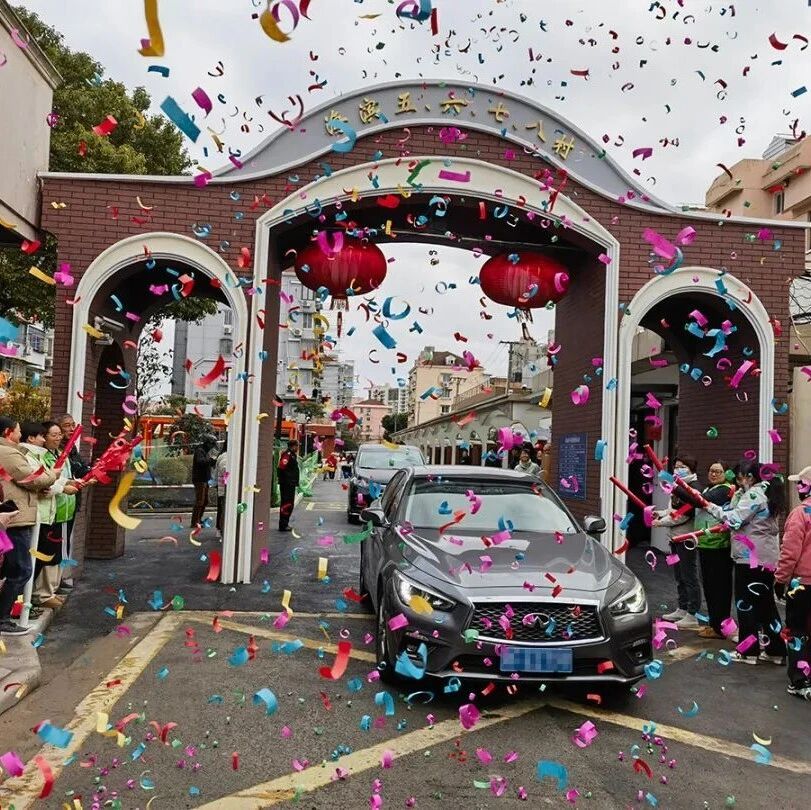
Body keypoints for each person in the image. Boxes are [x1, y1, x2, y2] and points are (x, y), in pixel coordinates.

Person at [705, 459, 787, 665]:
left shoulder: (754, 494)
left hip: (750, 558)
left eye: (741, 477)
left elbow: (734, 519)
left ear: (751, 477)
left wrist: (709, 507)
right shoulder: (768, 492)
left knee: (746, 604)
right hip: (766, 557)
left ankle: (748, 651)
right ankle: (776, 650)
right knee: (766, 605)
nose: (740, 482)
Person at [0, 416, 59, 635]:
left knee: (12, 568)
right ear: (8, 432)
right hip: (14, 518)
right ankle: (2, 619)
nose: (20, 434)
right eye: (17, 430)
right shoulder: (8, 453)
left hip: (13, 516)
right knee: (21, 569)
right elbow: (31, 478)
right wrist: (52, 475)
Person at [26, 421, 78, 609]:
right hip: (45, 512)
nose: (58, 438)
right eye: (52, 434)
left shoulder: (59, 454)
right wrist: (62, 487)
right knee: (42, 555)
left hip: (57, 509)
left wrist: (72, 482)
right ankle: (40, 594)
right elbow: (42, 481)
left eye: (59, 434)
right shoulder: (34, 456)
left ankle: (47, 592)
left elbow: (56, 478)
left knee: (54, 553)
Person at [653, 455, 702, 629]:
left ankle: (692, 613)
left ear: (691, 469)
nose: (678, 470)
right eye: (676, 467)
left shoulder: (693, 489)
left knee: (689, 575)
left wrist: (661, 523)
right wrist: (660, 513)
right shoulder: (677, 487)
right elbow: (673, 510)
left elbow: (683, 514)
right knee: (679, 575)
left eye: (683, 467)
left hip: (686, 539)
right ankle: (682, 608)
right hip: (673, 539)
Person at [775, 466, 811, 699]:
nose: (798, 488)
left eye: (800, 484)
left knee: (797, 629)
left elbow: (790, 551)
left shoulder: (800, 514)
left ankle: (800, 680)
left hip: (803, 583)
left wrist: (780, 579)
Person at [692, 460, 735, 639]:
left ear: (727, 474)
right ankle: (714, 624)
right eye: (711, 470)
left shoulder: (725, 490)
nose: (714, 474)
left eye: (718, 471)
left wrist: (678, 486)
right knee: (709, 586)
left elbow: (700, 501)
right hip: (705, 544)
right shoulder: (708, 489)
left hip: (718, 546)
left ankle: (720, 626)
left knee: (719, 588)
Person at [56, 414, 90, 596]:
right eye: (66, 426)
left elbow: (80, 468)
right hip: (60, 503)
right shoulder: (56, 450)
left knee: (66, 540)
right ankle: (59, 580)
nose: (70, 429)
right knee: (58, 543)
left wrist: (92, 471)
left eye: (72, 425)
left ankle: (62, 578)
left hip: (71, 501)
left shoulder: (73, 448)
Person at [191, 434, 217, 528]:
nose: (212, 447)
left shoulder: (205, 451)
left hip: (205, 479)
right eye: (212, 444)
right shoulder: (200, 450)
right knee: (200, 501)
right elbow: (200, 462)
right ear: (207, 443)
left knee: (204, 501)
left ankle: (199, 519)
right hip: (200, 479)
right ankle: (195, 521)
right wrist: (210, 460)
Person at [277, 439, 300, 532]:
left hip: (290, 484)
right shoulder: (287, 455)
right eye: (297, 446)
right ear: (293, 446)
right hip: (287, 484)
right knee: (286, 504)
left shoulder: (292, 455)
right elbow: (281, 467)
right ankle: (283, 525)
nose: (297, 448)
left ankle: (285, 523)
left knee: (289, 504)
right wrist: (286, 480)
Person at [215, 438, 228, 538]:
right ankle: (222, 530)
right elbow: (225, 473)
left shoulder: (221, 456)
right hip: (224, 490)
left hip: (221, 488)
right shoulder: (226, 457)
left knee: (222, 510)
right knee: (224, 511)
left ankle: (220, 529)